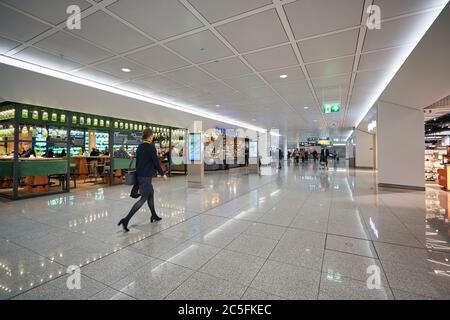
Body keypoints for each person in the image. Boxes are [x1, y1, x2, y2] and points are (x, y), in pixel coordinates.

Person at [118, 128, 167, 232]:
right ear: (149, 136)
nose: (153, 137)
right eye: (152, 135)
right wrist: (162, 174)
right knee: (143, 198)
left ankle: (154, 215)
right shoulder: (151, 147)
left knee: (151, 194)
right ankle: (126, 220)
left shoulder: (139, 147)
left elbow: (138, 163)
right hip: (145, 177)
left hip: (141, 176)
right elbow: (156, 162)